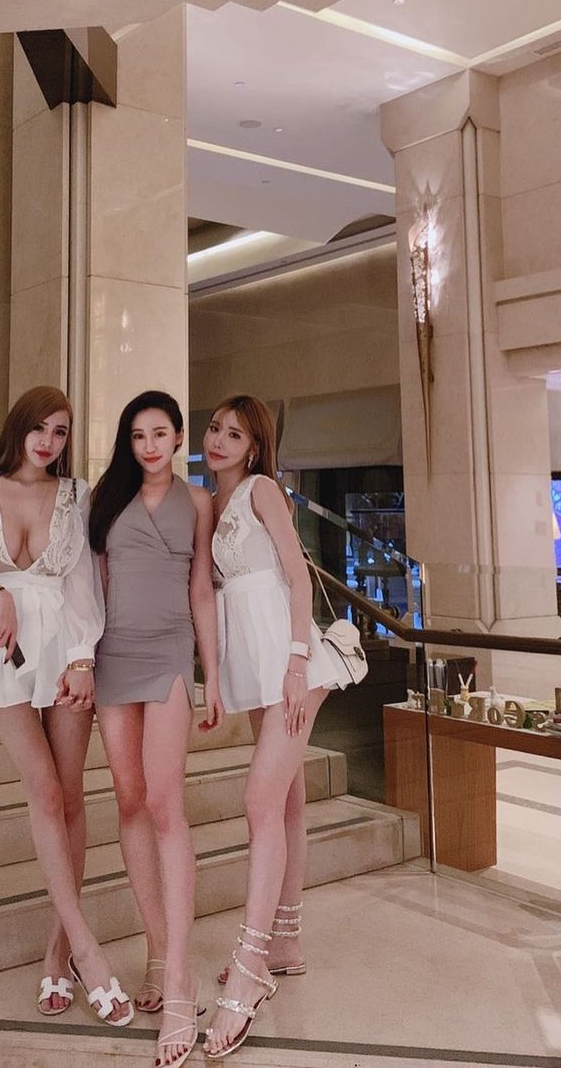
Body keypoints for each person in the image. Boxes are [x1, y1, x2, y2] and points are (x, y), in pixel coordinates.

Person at [0, 386, 133, 1027]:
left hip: (65, 652)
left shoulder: (74, 496)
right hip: (4, 653)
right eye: (39, 428)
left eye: (61, 432)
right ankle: (89, 952)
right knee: (43, 793)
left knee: (70, 799)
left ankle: (58, 953)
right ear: (18, 427)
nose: (48, 442)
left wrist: (82, 658)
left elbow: (84, 583)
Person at [202, 394, 340, 1060]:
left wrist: (296, 660)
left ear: (255, 447)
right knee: (285, 803)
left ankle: (251, 966)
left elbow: (298, 575)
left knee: (260, 801)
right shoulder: (215, 502)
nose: (219, 440)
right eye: (214, 429)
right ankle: (285, 941)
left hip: (291, 665)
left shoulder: (260, 490)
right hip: (255, 667)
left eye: (235, 433)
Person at [88, 390, 223, 1068]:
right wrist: (80, 660)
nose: (149, 445)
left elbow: (202, 590)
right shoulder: (105, 497)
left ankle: (179, 979)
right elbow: (93, 584)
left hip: (170, 654)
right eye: (138, 434)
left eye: (160, 433)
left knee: (167, 804)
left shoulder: (198, 502)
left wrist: (212, 675)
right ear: (129, 440)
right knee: (130, 801)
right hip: (113, 655)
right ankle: (155, 948)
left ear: (177, 438)